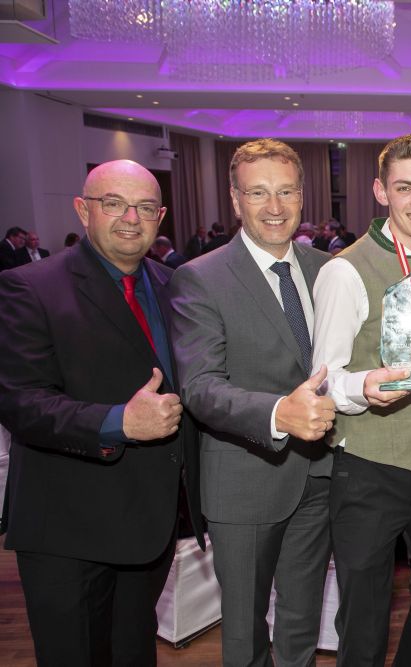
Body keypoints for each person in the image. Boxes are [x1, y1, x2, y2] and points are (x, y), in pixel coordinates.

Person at [0, 159, 203, 665]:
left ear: (161, 217)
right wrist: (118, 422)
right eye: (114, 203)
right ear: (82, 210)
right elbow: (19, 401)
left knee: (134, 652)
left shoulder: (174, 284)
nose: (131, 218)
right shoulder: (30, 286)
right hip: (69, 528)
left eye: (145, 207)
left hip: (148, 524)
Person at [169, 139, 335, 667]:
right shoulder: (201, 277)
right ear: (235, 199)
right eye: (258, 192)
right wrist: (277, 413)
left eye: (286, 191)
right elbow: (200, 386)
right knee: (244, 633)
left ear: (303, 196)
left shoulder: (328, 269)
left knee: (301, 624)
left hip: (320, 477)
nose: (275, 206)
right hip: (244, 481)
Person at [311, 134, 411, 666]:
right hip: (368, 466)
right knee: (365, 619)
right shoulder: (345, 271)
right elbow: (322, 382)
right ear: (381, 192)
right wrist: (363, 386)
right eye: (405, 188)